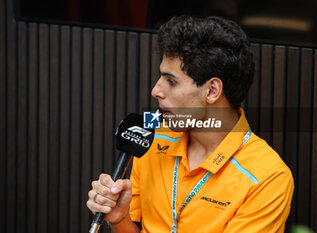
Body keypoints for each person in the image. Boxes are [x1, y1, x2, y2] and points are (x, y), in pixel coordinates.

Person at [86, 15, 294, 233]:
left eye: (171, 81)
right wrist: (119, 218)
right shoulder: (152, 138)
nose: (155, 91)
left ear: (212, 90)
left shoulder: (267, 177)